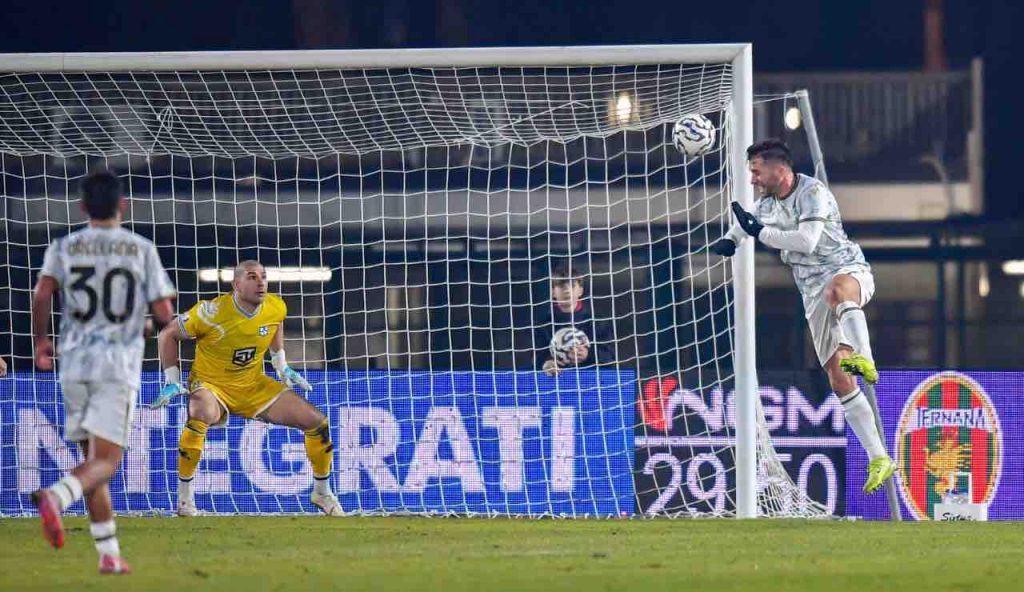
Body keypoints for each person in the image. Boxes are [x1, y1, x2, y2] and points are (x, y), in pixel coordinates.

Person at [710, 138, 897, 494]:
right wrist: (731, 241)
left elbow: (807, 241)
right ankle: (879, 457)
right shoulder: (768, 202)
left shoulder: (814, 192)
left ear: (779, 168)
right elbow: (748, 222)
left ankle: (866, 357)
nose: (752, 178)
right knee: (839, 379)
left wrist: (760, 233)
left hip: (847, 271)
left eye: (756, 170)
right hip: (812, 295)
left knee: (837, 290)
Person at [31, 170, 177, 574]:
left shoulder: (65, 245)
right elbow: (164, 314)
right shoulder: (140, 249)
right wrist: (146, 319)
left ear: (82, 207)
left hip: (73, 364)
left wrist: (41, 342)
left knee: (92, 463)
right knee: (107, 461)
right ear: (122, 205)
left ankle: (109, 554)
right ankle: (57, 497)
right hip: (115, 365)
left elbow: (43, 291)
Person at [153, 260, 342, 516]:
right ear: (236, 285)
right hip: (212, 385)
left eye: (263, 276)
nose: (261, 282)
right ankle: (185, 500)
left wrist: (281, 364)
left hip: (253, 385)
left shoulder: (275, 306)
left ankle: (321, 492)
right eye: (252, 277)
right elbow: (167, 334)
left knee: (317, 422)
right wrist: (172, 380)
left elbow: (275, 322)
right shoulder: (211, 312)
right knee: (201, 413)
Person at [535, 260, 616, 376]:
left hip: (591, 383)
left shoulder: (598, 323)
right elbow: (537, 357)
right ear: (553, 292)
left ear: (580, 291)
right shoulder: (543, 325)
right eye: (562, 286)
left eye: (572, 286)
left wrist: (589, 354)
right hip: (555, 384)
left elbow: (610, 357)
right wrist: (546, 363)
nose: (567, 290)